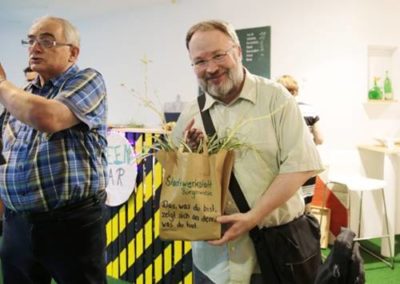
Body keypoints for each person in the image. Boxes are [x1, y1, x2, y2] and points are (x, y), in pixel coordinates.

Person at [171, 20, 324, 284]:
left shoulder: (276, 99)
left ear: (238, 52)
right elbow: (177, 185)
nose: (211, 68)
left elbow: (300, 165)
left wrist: (253, 217)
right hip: (212, 263)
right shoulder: (190, 115)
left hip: (275, 254)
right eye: (199, 61)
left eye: (219, 55)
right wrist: (190, 158)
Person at [0, 16, 108, 283]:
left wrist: (1, 84)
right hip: (17, 224)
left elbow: (47, 118)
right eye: (31, 40)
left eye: (47, 41)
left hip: (70, 224)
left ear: (72, 52)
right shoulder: (23, 95)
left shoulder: (88, 80)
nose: (34, 48)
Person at [277, 75, 324, 211]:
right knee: (306, 205)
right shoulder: (310, 110)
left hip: (285, 166)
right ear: (296, 92)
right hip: (307, 163)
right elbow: (320, 139)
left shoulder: (277, 111)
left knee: (287, 206)